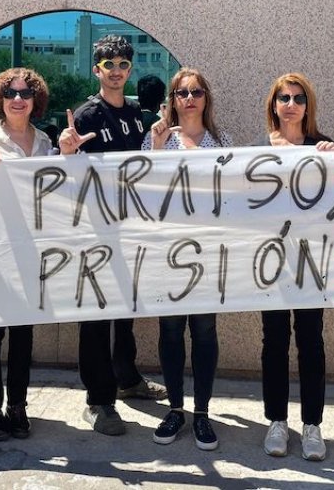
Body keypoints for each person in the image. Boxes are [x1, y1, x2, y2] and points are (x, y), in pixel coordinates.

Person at [58, 34, 168, 435]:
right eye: (109, 65)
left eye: (123, 64)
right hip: (94, 232)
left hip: (130, 229)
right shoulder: (87, 115)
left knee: (125, 312)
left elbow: (147, 170)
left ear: (130, 69)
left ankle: (127, 379)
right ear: (97, 70)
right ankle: (98, 400)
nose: (117, 71)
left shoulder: (139, 115)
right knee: (95, 317)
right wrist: (67, 151)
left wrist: (158, 145)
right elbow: (66, 173)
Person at [142, 67, 232, 451]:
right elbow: (143, 188)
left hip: (208, 251)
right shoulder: (159, 139)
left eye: (196, 91)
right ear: (173, 100)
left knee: (205, 331)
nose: (190, 98)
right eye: (182, 93)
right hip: (169, 251)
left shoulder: (222, 141)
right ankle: (175, 409)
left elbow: (233, 196)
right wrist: (156, 146)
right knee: (171, 330)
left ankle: (202, 412)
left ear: (206, 97)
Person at [0, 68, 54, 442]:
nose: (18, 99)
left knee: (22, 334)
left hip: (29, 250)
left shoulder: (46, 141)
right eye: (11, 93)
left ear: (36, 100)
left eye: (26, 93)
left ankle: (17, 406)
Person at [254, 73, 334, 461]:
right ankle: (277, 421)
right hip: (271, 262)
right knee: (273, 341)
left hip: (311, 261)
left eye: (299, 98)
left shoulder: (321, 147)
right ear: (273, 105)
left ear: (308, 106)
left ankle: (312, 425)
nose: (291, 104)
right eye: (284, 98)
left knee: (311, 341)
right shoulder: (257, 152)